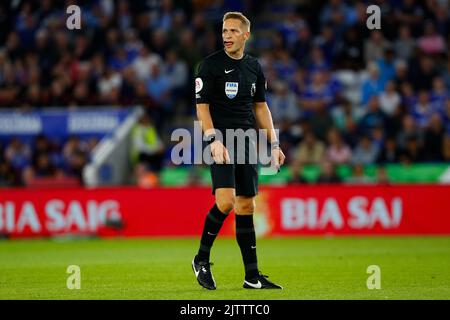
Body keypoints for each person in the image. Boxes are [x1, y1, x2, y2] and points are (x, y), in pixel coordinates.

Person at [192, 12, 285, 290]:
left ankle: (252, 276)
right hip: (220, 139)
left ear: (246, 35)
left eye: (233, 31)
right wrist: (212, 140)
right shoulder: (209, 66)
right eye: (224, 31)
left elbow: (260, 107)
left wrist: (275, 142)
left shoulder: (254, 67)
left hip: (246, 140)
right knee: (226, 202)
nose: (227, 36)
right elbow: (202, 107)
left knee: (247, 205)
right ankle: (201, 259)